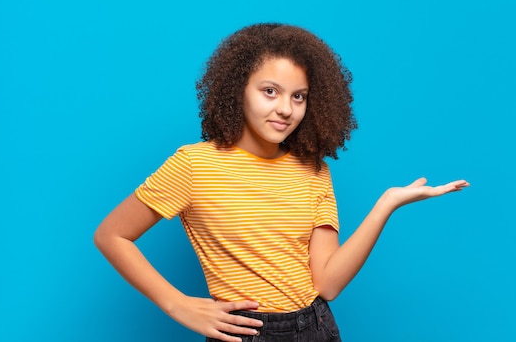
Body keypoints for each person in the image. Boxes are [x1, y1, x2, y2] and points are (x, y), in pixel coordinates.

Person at [94, 23, 469, 342]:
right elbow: (112, 235)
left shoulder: (313, 169)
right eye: (269, 91)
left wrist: (386, 204)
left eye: (299, 96)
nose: (286, 109)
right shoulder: (194, 165)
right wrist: (178, 304)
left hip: (317, 325)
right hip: (246, 332)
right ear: (238, 89)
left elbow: (329, 285)